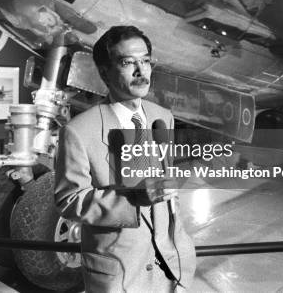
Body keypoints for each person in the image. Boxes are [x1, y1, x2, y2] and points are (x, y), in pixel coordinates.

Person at [55, 26, 196, 292]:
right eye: (128, 63)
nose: (141, 72)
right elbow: (68, 200)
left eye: (145, 61)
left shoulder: (162, 116)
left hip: (173, 267)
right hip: (119, 274)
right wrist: (133, 199)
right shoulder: (78, 131)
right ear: (105, 72)